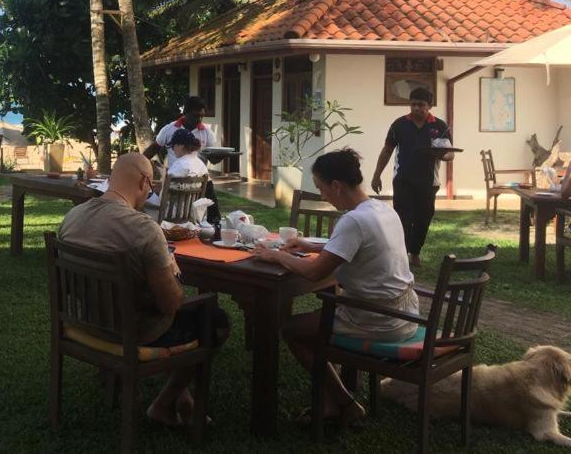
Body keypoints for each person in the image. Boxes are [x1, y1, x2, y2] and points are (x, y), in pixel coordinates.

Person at [58, 152, 230, 426]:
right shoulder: (143, 229)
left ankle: (183, 399)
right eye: (151, 187)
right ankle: (162, 405)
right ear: (143, 182)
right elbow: (171, 304)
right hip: (133, 333)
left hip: (85, 324)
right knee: (216, 320)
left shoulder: (72, 217)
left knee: (166, 312)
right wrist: (172, 270)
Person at [254, 148, 417, 424]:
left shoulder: (353, 220)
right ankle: (335, 402)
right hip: (405, 311)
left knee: (292, 330)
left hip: (376, 319)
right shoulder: (380, 209)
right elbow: (351, 247)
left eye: (321, 188)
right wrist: (308, 244)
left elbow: (316, 273)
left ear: (337, 186)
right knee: (312, 322)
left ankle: (344, 402)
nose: (321, 196)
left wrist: (275, 255)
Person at [370, 87, 454, 267]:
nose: (417, 108)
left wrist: (438, 154)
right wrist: (376, 175)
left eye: (421, 105)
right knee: (402, 218)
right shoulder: (399, 125)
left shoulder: (439, 126)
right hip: (403, 180)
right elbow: (387, 151)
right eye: (414, 104)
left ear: (430, 106)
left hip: (428, 182)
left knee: (423, 218)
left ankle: (415, 252)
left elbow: (450, 154)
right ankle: (401, 253)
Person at [143, 96, 216, 168]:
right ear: (185, 113)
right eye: (195, 116)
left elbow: (213, 160)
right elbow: (153, 149)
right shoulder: (169, 129)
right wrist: (138, 162)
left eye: (201, 116)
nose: (199, 119)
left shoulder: (207, 132)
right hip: (174, 177)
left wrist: (220, 156)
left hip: (199, 177)